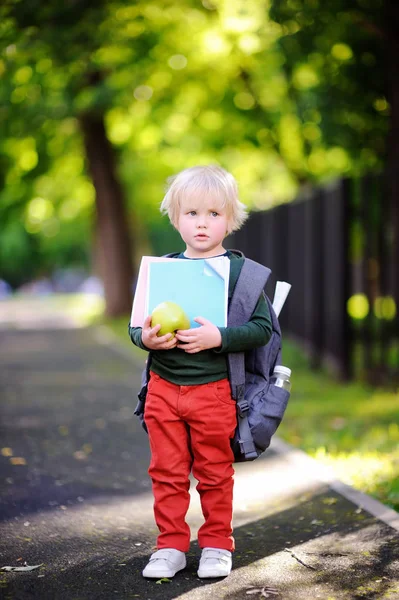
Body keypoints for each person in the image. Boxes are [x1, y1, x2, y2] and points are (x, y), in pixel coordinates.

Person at [128, 165, 272, 579]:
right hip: (163, 389)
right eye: (192, 213)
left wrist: (219, 338)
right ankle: (170, 546)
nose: (203, 223)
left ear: (231, 218)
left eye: (214, 213)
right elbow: (137, 326)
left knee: (213, 472)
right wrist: (148, 340)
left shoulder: (241, 273)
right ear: (175, 218)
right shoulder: (162, 270)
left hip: (214, 392)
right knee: (167, 473)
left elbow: (262, 330)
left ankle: (215, 544)